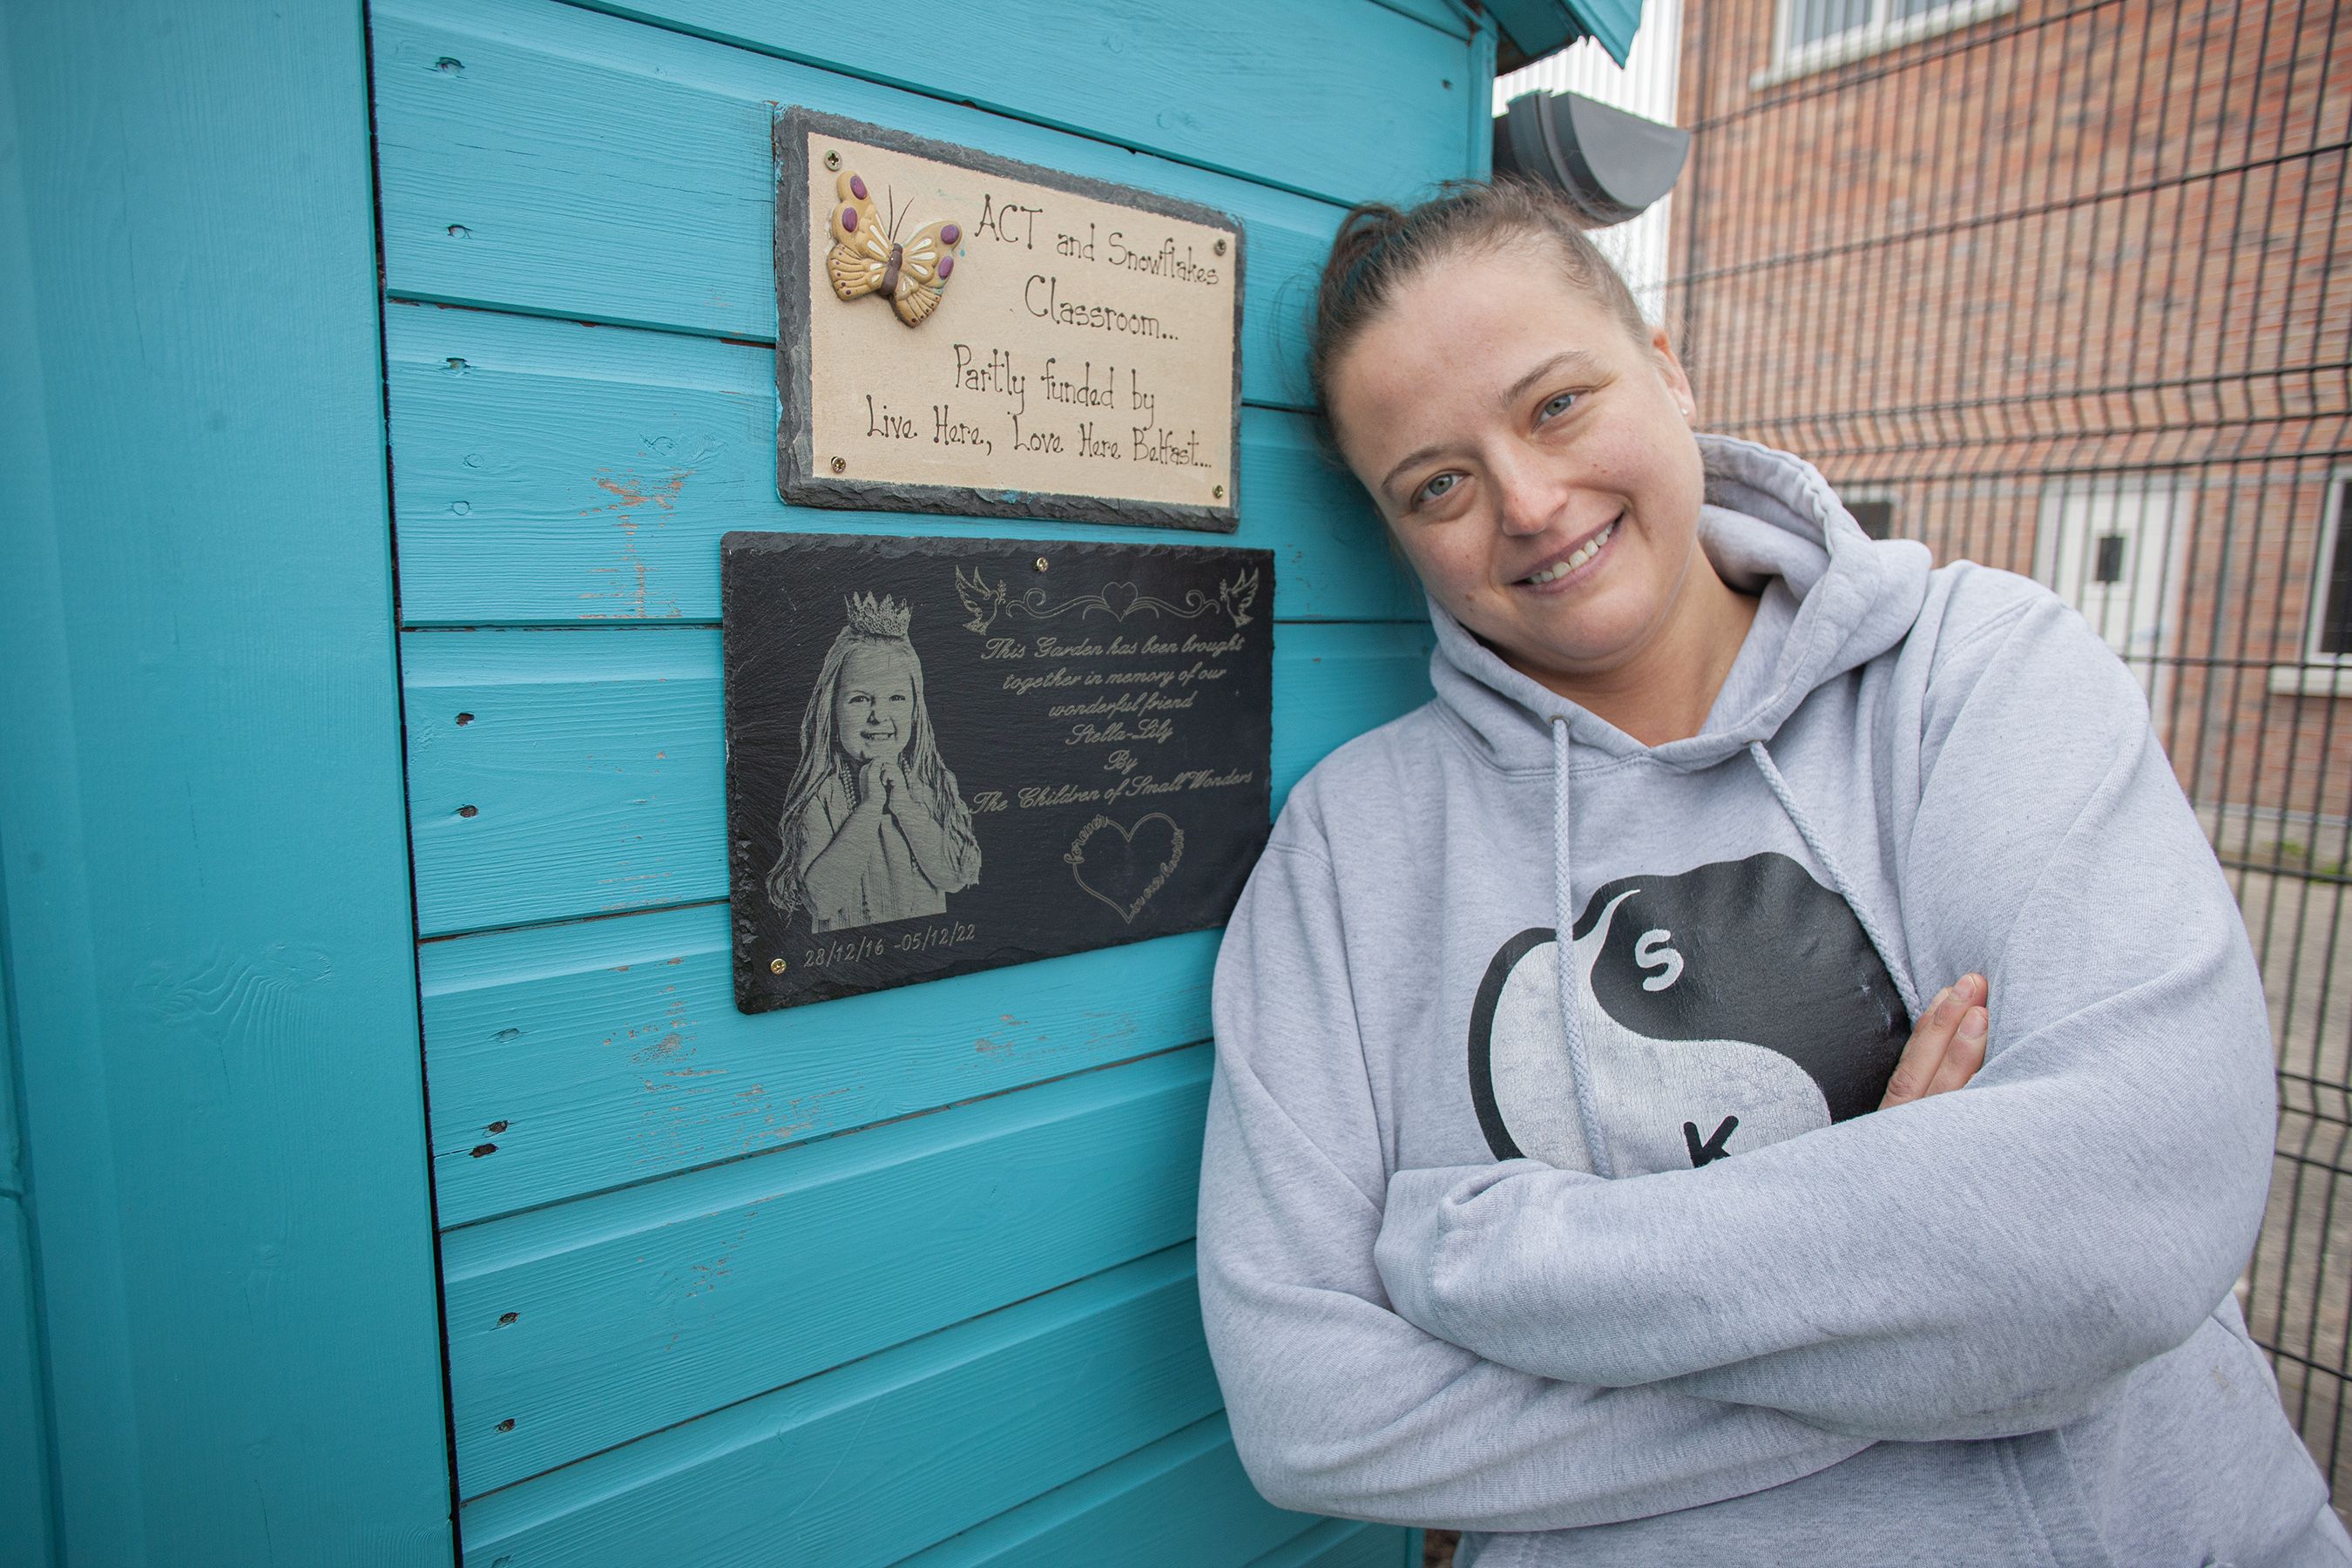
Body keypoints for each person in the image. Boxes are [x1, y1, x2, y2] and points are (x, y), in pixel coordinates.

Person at [1196, 180, 2350, 1565]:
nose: (1528, 500)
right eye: (1436, 483)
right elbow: (1309, 1412)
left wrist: (1501, 1267)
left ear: (1668, 367)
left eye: (1557, 403)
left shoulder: (1975, 677)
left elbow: (2130, 1213)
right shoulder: (1352, 854)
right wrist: (1950, 1295)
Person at [767, 591, 980, 932]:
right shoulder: (824, 797)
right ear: (831, 712)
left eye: (896, 697)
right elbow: (821, 901)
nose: (878, 716)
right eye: (860, 699)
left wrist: (904, 806)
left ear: (914, 711)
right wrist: (869, 808)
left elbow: (954, 876)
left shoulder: (929, 786)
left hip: (921, 951)